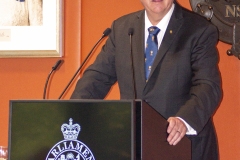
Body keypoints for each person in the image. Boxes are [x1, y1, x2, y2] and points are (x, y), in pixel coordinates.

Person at [71, 0, 222, 159]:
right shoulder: (122, 28)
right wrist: (75, 112)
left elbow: (208, 85)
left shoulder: (199, 29)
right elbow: (96, 78)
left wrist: (184, 120)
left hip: (184, 146)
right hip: (134, 147)